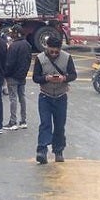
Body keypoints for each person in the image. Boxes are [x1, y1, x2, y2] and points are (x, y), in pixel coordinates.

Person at [31, 35, 77, 164]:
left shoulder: (67, 57)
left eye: (57, 52)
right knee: (45, 124)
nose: (54, 54)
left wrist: (64, 78)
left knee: (59, 126)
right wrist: (46, 78)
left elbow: (73, 74)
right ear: (47, 48)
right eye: (51, 51)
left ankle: (58, 151)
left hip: (61, 96)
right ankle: (42, 151)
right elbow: (35, 77)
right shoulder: (40, 58)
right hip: (45, 96)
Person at [3, 27, 31, 130]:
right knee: (22, 98)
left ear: (16, 34)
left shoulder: (13, 46)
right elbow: (28, 61)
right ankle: (23, 121)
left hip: (12, 76)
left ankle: (13, 121)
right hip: (22, 76)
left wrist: (6, 74)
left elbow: (9, 63)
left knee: (13, 98)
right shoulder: (27, 45)